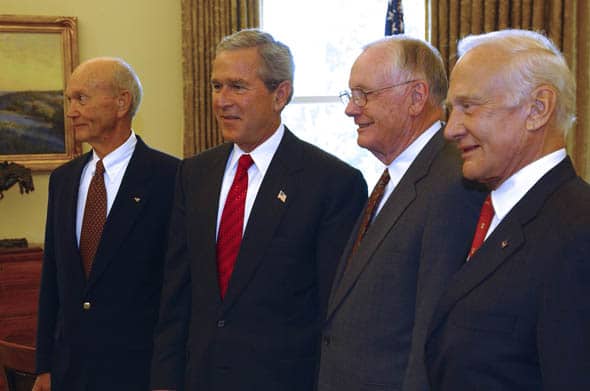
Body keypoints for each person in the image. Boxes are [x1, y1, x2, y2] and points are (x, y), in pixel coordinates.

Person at [150, 29, 367, 391]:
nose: (221, 101)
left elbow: (335, 313)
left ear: (280, 94)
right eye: (216, 86)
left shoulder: (331, 182)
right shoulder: (194, 174)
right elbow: (177, 290)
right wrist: (164, 380)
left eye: (237, 86)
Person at [425, 29, 590, 390]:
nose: (450, 130)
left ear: (537, 109)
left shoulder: (578, 231)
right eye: (453, 111)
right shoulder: (480, 214)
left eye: (469, 107)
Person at [317, 36, 484, 391]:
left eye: (364, 94)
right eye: (351, 95)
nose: (351, 108)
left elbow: (432, 333)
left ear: (416, 97)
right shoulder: (395, 178)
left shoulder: (453, 181)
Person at [33, 57, 180, 391]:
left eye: (81, 99)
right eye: (68, 100)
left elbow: (177, 288)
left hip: (138, 371)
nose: (70, 111)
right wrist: (44, 365)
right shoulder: (63, 180)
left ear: (121, 102)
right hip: (70, 371)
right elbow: (52, 277)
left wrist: (168, 375)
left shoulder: (171, 178)